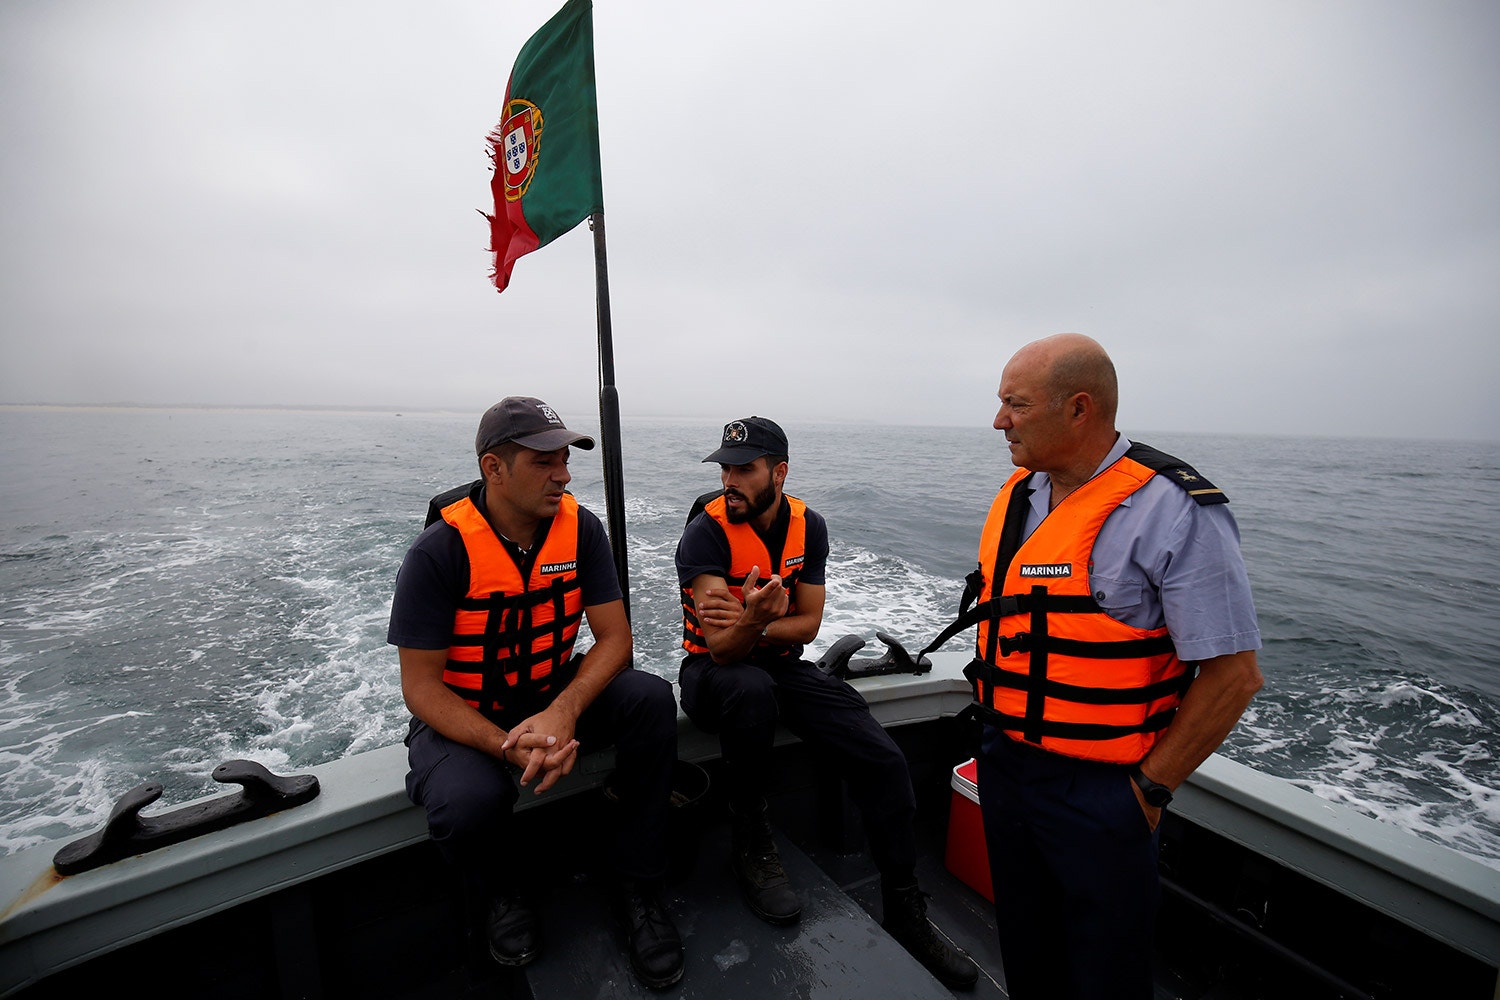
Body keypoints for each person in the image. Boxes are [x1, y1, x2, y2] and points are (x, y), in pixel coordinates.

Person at [969, 334, 1264, 1000]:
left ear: (1079, 408)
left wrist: (1148, 792)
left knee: (1105, 970)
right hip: (1007, 762)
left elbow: (1234, 676)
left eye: (1016, 405)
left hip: (1103, 789)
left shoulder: (1176, 510)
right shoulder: (1019, 495)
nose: (999, 421)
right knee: (1025, 944)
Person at [388, 396, 684, 989]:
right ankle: (501, 892)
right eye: (544, 461)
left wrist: (563, 709)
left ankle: (638, 883)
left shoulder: (580, 530)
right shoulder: (439, 552)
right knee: (464, 802)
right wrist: (503, 743)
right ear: (493, 468)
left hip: (551, 691)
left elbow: (615, 639)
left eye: (565, 459)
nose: (563, 475)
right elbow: (419, 687)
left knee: (651, 701)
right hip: (466, 712)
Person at [674, 415, 979, 990]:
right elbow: (720, 647)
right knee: (750, 688)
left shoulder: (808, 526)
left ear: (779, 472)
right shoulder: (705, 534)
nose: (730, 480)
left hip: (779, 663)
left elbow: (809, 625)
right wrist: (755, 623)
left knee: (880, 756)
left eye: (744, 469)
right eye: (725, 469)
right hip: (712, 675)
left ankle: (904, 906)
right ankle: (751, 836)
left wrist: (755, 623)